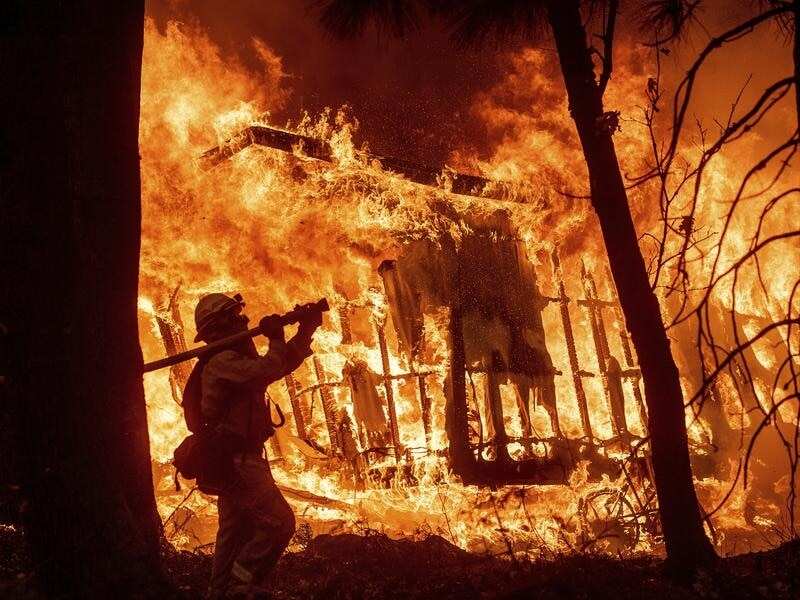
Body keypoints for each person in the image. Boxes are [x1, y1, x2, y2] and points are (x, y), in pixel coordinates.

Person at [188, 292, 322, 599]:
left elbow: (278, 364)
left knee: (234, 533)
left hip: (234, 460)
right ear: (220, 325)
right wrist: (276, 337)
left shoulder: (231, 360)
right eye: (236, 316)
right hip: (237, 462)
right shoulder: (222, 361)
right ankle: (239, 587)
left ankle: (219, 591)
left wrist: (306, 331)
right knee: (280, 523)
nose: (244, 319)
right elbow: (269, 368)